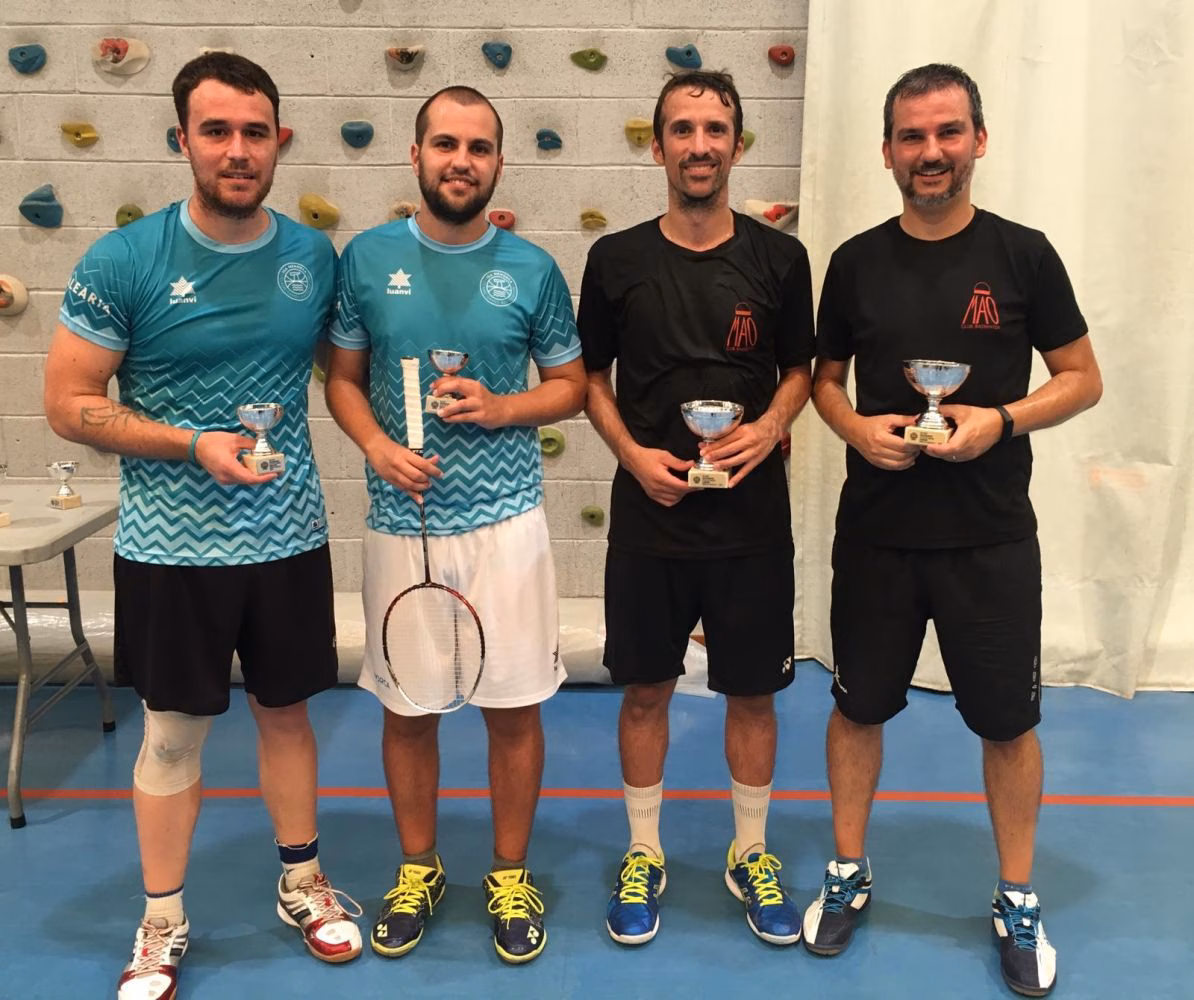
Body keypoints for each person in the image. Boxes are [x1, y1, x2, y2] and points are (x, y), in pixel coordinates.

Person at [43, 53, 361, 1000]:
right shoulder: (125, 259)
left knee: (288, 715)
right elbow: (67, 402)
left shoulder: (313, 257)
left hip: (289, 536)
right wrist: (192, 444)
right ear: (181, 138)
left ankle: (302, 883)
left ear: (279, 142)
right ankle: (161, 921)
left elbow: (347, 372)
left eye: (253, 132)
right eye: (215, 131)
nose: (235, 150)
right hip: (169, 548)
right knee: (173, 733)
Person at [803, 63, 1102, 997]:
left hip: (990, 538)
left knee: (1008, 725)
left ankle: (1016, 895)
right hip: (879, 535)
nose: (929, 153)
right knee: (856, 710)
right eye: (911, 137)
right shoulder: (853, 260)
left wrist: (1000, 420)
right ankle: (848, 871)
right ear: (887, 149)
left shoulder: (1024, 255)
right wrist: (854, 428)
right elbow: (823, 379)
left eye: (946, 133)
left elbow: (1082, 376)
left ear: (978, 138)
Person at [324, 85, 586, 965]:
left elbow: (572, 388)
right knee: (410, 713)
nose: (460, 160)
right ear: (416, 156)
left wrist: (505, 407)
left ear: (498, 163)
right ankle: (419, 868)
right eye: (445, 144)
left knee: (513, 711)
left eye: (478, 147)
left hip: (507, 528)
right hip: (402, 524)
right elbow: (344, 380)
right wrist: (373, 445)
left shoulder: (534, 270)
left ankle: (509, 876)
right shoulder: (365, 260)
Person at [577, 70, 815, 947]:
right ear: (659, 146)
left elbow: (800, 370)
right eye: (683, 129)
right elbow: (588, 381)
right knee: (645, 689)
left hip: (752, 521)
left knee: (751, 694)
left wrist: (771, 427)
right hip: (651, 513)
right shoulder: (617, 260)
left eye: (717, 129)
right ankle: (645, 851)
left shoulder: (781, 259)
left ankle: (749, 851)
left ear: (738, 144)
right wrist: (631, 454)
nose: (700, 144)